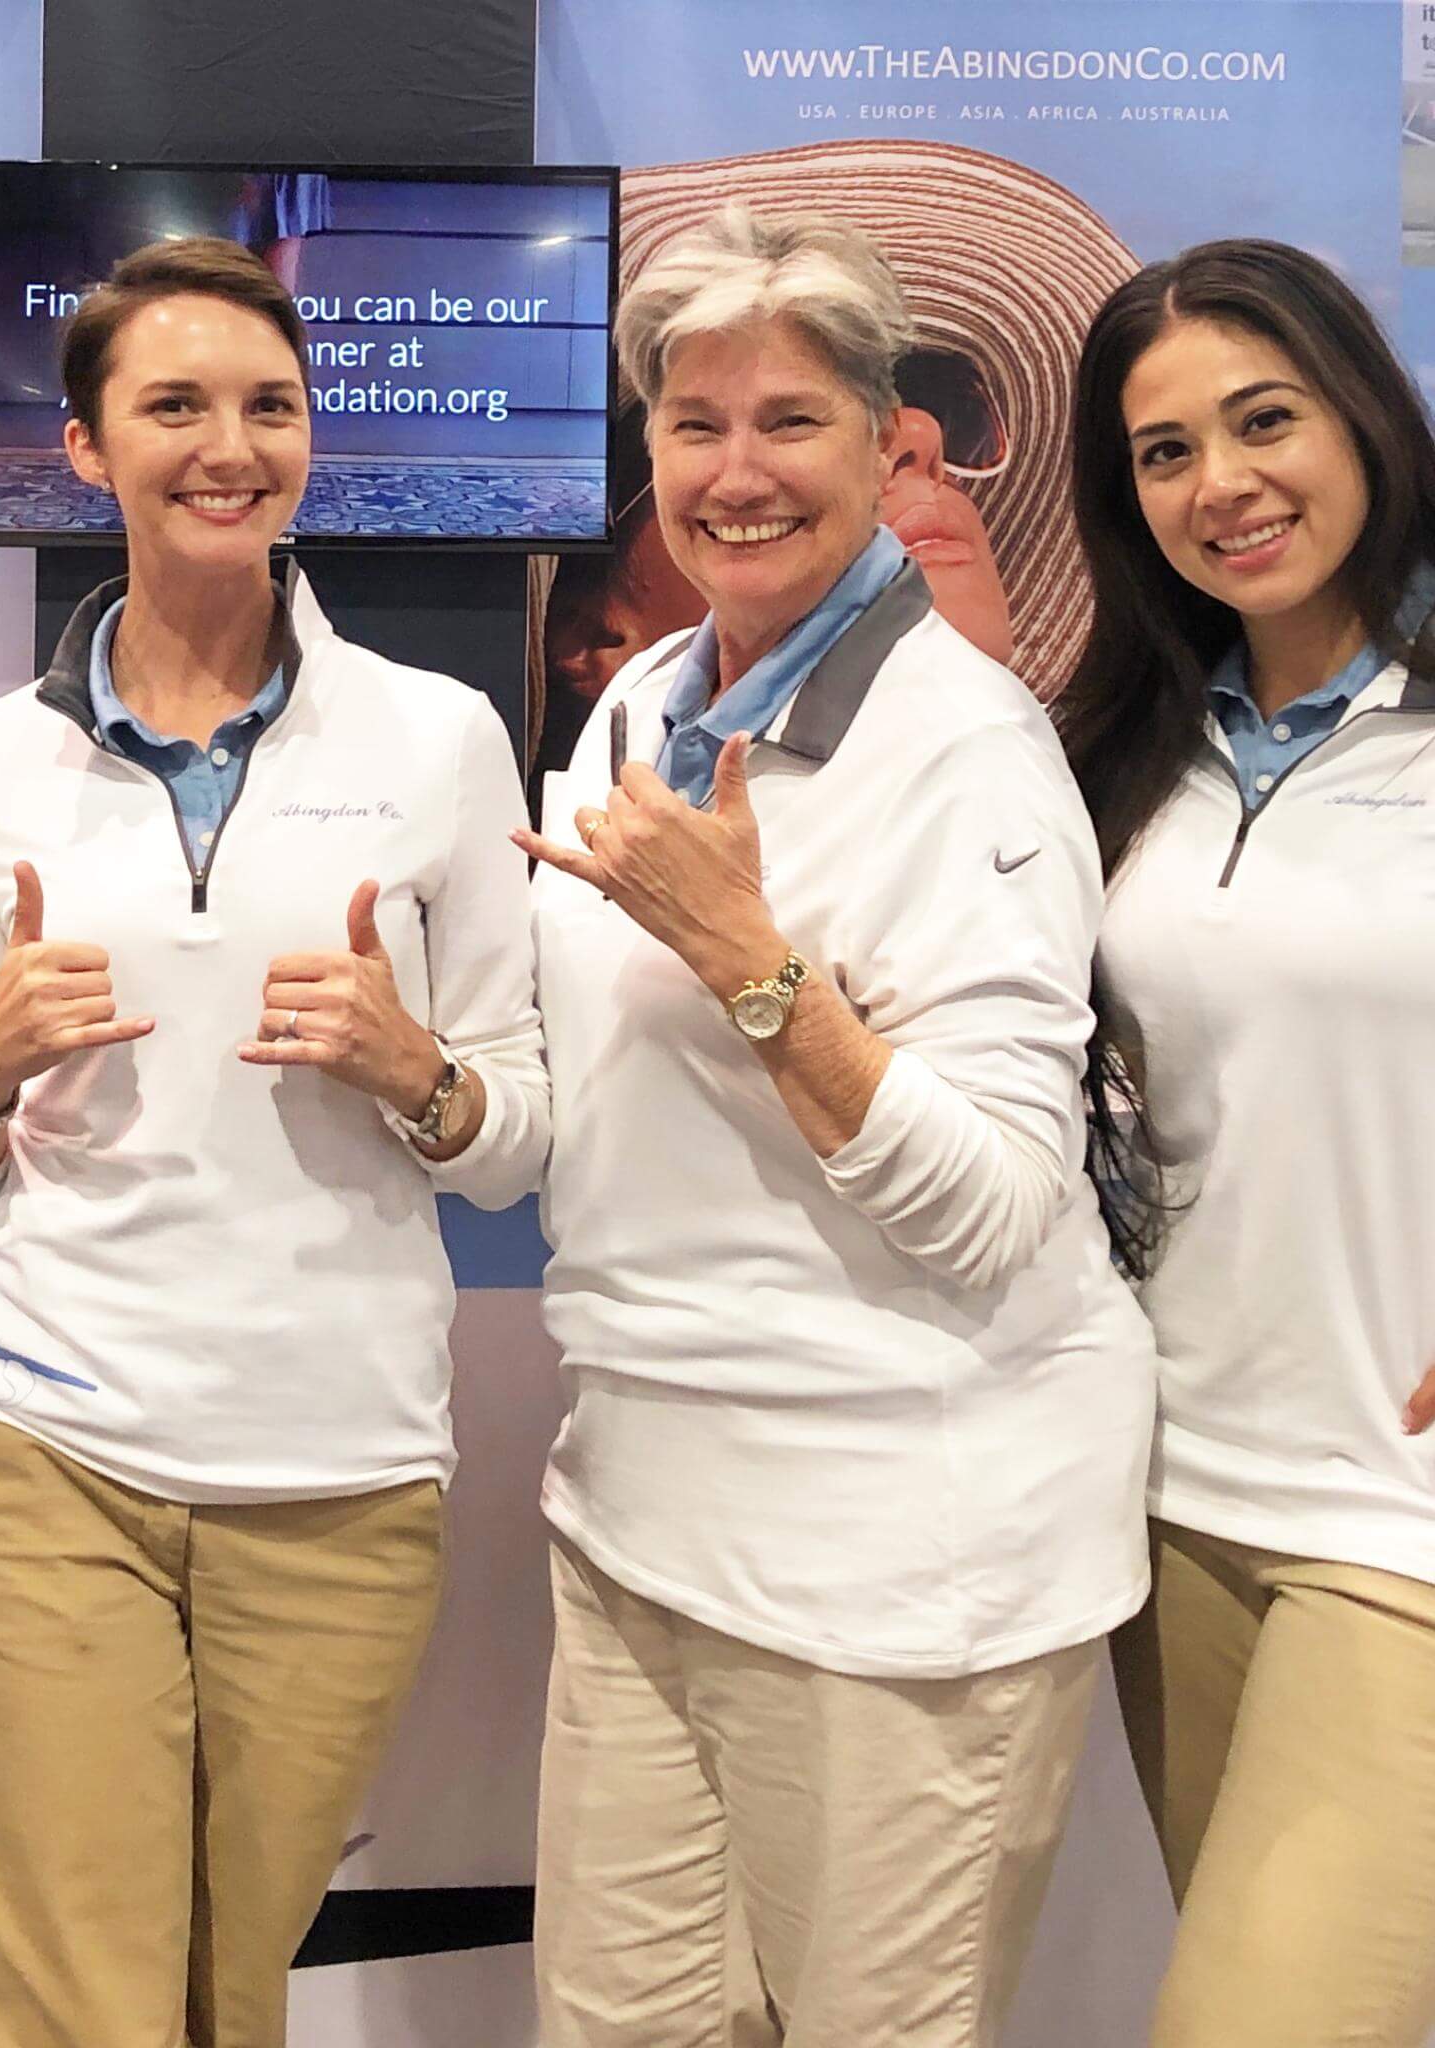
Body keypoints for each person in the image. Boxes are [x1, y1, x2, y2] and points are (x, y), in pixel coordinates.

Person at [0, 234, 547, 2048]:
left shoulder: (437, 739)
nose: (226, 443)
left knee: (219, 1987)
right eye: (171, 404)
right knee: (72, 2001)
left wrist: (420, 1071)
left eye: (269, 404)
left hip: (334, 1466)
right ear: (85, 450)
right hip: (44, 1439)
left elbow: (514, 1135)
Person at [516, 206, 1156, 2048]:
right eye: (689, 423)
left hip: (898, 1560)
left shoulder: (964, 746)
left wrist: (753, 962)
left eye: (786, 420)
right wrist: (431, 1076)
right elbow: (611, 1100)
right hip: (640, 1509)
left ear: (889, 448)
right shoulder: (645, 700)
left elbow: (997, 1209)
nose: (733, 473)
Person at [1060, 237, 1435, 2048]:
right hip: (1174, 1488)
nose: (1220, 485)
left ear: (1361, 409)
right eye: (1161, 451)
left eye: (1261, 418)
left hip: (1404, 1513)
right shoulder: (1128, 751)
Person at [534, 140, 1141, 791]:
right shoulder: (625, 728)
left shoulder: (1023, 779)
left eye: (936, 396)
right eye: (700, 428)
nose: (917, 435)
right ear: (598, 638)